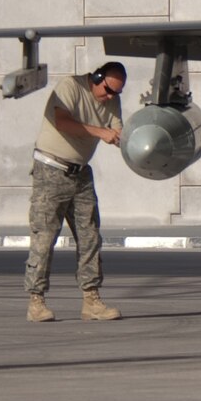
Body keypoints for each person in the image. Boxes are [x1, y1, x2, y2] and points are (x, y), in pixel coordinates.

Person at [26, 62, 126, 322]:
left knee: (90, 236)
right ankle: (36, 302)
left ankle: (91, 300)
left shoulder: (112, 101)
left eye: (116, 93)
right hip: (51, 170)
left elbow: (118, 133)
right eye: (107, 90)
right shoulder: (70, 86)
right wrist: (100, 132)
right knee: (44, 236)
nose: (110, 97)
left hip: (81, 173)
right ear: (96, 78)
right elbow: (62, 122)